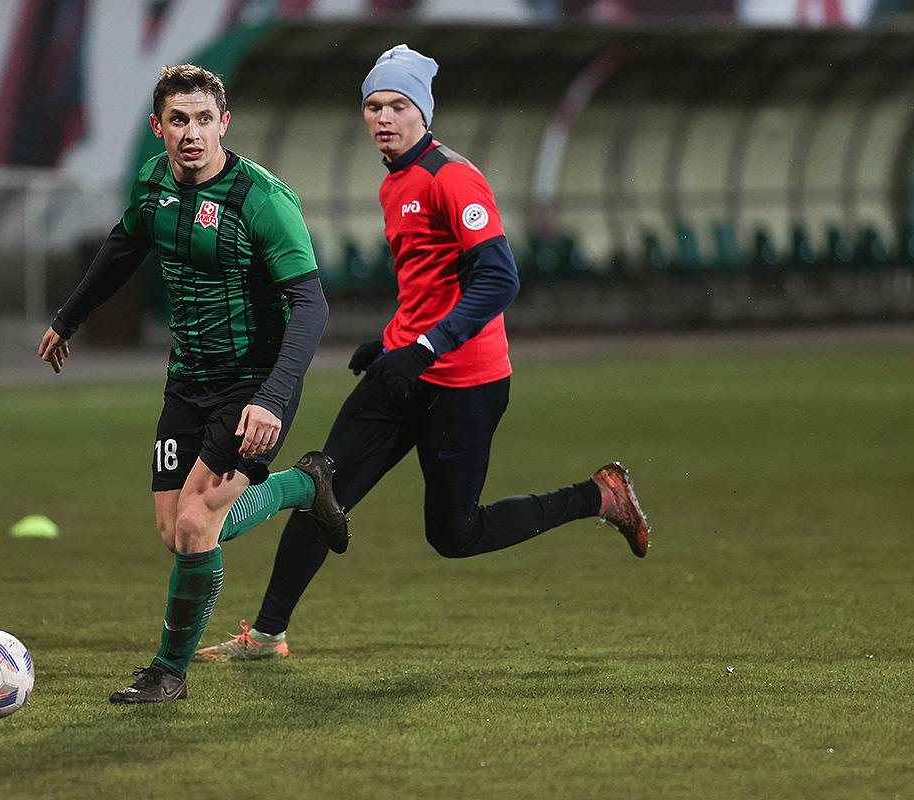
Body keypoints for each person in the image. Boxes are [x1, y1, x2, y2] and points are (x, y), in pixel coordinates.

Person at [196, 44, 650, 663]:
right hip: (404, 370)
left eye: (398, 105)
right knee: (319, 490)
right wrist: (389, 344)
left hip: (466, 383)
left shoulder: (451, 176)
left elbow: (499, 278)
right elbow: (428, 285)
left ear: (423, 112)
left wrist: (426, 347)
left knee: (454, 535)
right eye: (373, 106)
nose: (383, 117)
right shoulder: (395, 181)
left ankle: (598, 496)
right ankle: (266, 636)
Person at [38, 64, 348, 704]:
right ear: (159, 128)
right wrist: (68, 318)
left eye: (204, 119)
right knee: (172, 528)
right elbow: (123, 244)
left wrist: (272, 397)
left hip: (254, 384)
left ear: (223, 124)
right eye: (178, 120)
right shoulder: (154, 182)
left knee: (196, 523)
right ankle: (303, 484)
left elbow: (311, 305)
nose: (192, 133)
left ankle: (168, 672)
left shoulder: (262, 199)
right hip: (187, 380)